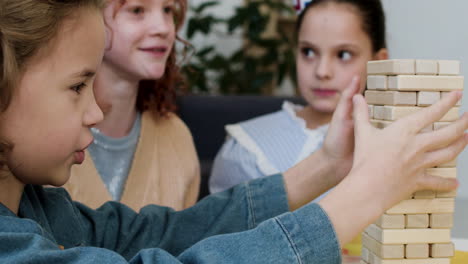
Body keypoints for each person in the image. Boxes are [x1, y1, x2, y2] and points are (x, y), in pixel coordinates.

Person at [0, 0, 466, 263]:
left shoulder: (42, 205)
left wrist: (328, 166)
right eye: (79, 85)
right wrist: (363, 193)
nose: (95, 112)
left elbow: (159, 234)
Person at [209, 0, 389, 194]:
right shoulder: (248, 149)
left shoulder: (397, 142)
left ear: (378, 61)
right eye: (308, 52)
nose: (322, 71)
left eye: (343, 54)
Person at [63, 0, 200, 211]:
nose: (163, 28)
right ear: (86, 17)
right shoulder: (45, 136)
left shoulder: (176, 136)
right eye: (137, 10)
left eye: (167, 10)